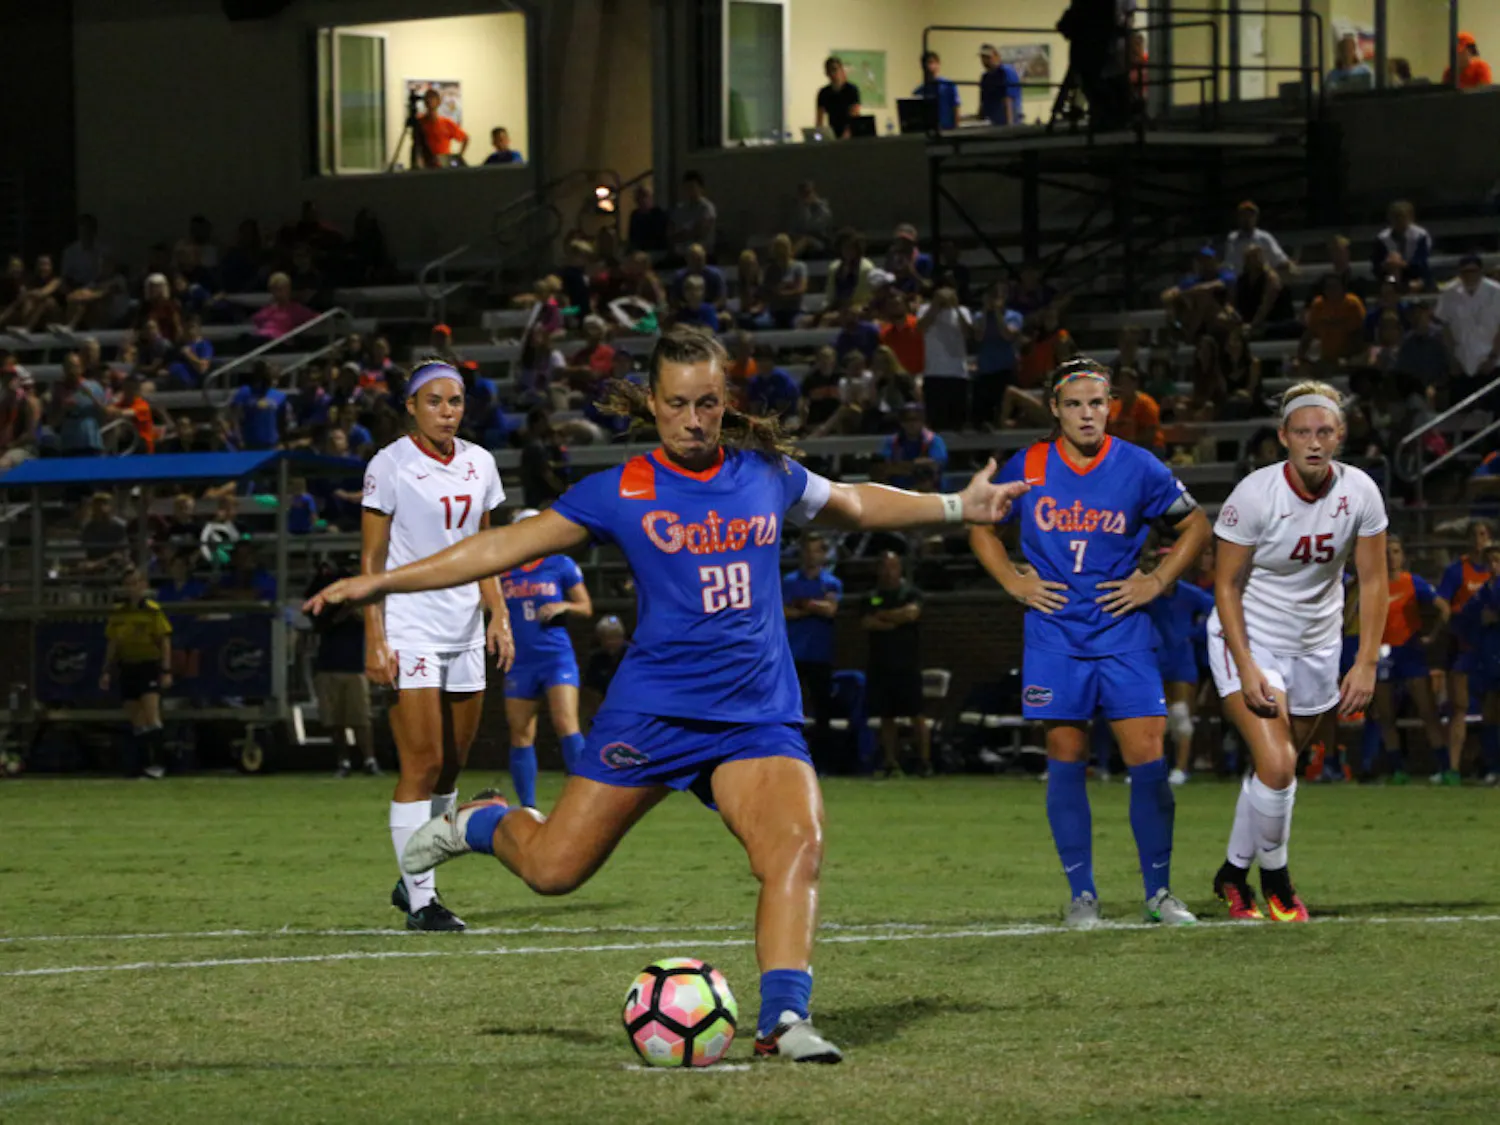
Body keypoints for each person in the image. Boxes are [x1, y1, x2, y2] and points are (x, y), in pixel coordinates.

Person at [304, 325, 1027, 1064]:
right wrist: (382, 581)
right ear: (652, 403)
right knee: (554, 870)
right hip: (652, 714)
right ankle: (487, 820)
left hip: (755, 719)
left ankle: (783, 1021)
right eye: (677, 403)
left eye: (707, 403)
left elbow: (853, 503)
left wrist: (953, 507)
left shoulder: (766, 472)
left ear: (724, 402)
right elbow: (497, 547)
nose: (692, 418)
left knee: (796, 846)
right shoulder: (619, 489)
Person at [970, 358, 1212, 929]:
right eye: (1074, 404)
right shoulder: (1028, 465)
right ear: (1054, 408)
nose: (1087, 414)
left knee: (1148, 759)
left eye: (1097, 403)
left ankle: (1158, 893)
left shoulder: (1141, 467)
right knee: (1066, 759)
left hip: (1124, 634)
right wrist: (1014, 581)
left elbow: (1196, 526)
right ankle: (1082, 895)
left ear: (1111, 408)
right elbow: (982, 524)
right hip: (1055, 634)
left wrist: (1156, 581)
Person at [1207, 381, 1388, 922]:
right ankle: (1278, 880)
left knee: (1275, 770)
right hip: (1249, 636)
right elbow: (1225, 587)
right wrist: (1245, 666)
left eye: (1324, 431)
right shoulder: (1255, 495)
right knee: (1279, 762)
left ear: (1340, 435)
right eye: (1303, 432)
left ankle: (1232, 874)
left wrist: (1366, 660)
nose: (1314, 442)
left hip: (1317, 645)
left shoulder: (1361, 492)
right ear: (1283, 436)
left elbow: (1374, 580)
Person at [360, 358, 513, 931]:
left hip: (464, 626)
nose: (447, 412)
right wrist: (375, 635)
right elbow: (372, 561)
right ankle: (423, 901)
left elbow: (487, 550)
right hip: (410, 622)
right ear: (410, 405)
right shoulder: (390, 465)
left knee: (451, 768)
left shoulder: (480, 463)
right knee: (420, 763)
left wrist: (499, 615)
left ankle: (412, 875)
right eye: (434, 401)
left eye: (455, 402)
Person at [500, 508, 592, 808]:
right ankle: (528, 807)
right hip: (520, 660)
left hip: (556, 656)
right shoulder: (503, 568)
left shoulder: (559, 564)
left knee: (567, 723)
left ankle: (583, 801)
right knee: (521, 732)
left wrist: (563, 606)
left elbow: (585, 607)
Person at [1358, 535, 1449, 782]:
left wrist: (1431, 636)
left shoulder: (1413, 583)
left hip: (1410, 651)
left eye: (1396, 551)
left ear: (1403, 556)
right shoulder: (1373, 584)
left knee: (1427, 710)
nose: (1391, 556)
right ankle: (1398, 769)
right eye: (1387, 552)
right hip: (1383, 652)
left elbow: (1444, 607)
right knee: (1385, 714)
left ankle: (1445, 768)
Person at [1143, 551, 1215, 786]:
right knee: (1156, 719)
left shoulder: (1189, 594)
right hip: (1154, 661)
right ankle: (1157, 767)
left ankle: (1180, 769)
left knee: (1182, 716)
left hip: (1183, 661)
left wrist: (1195, 634)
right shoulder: (1148, 593)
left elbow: (1217, 610)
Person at [305, 559, 380, 779]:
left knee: (361, 719)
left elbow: (366, 619)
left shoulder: (363, 604)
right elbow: (322, 622)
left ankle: (369, 760)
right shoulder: (326, 603)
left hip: (354, 667)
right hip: (328, 665)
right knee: (334, 720)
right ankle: (343, 761)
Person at [99, 568, 173, 779]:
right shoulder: (119, 612)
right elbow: (113, 643)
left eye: (136, 583)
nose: (132, 588)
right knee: (136, 719)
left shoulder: (152, 610)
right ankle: (141, 765)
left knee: (152, 715)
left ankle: (158, 765)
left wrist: (166, 670)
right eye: (128, 584)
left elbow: (164, 641)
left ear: (144, 585)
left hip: (147, 665)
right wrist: (107, 669)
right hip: (127, 666)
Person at [862, 551, 928, 778]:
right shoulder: (872, 595)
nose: (889, 572)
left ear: (900, 568)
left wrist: (885, 617)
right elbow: (868, 622)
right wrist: (893, 619)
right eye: (885, 567)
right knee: (886, 716)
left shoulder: (912, 593)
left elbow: (911, 615)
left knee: (916, 713)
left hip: (907, 664)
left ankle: (924, 762)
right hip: (880, 664)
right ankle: (890, 762)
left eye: (893, 566)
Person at [1436, 521, 1493, 782]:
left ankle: (1489, 764)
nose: (1479, 540)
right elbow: (1444, 603)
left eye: (1483, 535)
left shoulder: (1495, 573)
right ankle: (1454, 768)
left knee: (1492, 709)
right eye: (1474, 535)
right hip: (1466, 647)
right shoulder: (1457, 570)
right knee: (1459, 707)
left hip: (1492, 649)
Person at [783, 534, 842, 774]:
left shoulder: (831, 583)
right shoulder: (789, 581)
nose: (811, 555)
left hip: (820, 655)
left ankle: (822, 762)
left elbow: (830, 610)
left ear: (823, 555)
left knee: (822, 710)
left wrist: (804, 605)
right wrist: (814, 606)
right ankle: (788, 759)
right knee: (790, 710)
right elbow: (785, 612)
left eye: (816, 551)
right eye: (807, 550)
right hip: (793, 655)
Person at [1372, 201, 1434, 293]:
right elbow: (1376, 264)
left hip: (1416, 274)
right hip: (1392, 275)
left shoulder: (1420, 235)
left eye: (1402, 217)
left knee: (1418, 283)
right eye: (1395, 218)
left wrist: (1403, 264)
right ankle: (1396, 288)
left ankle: (1407, 290)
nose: (1399, 222)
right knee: (1390, 277)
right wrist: (1388, 264)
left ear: (1410, 218)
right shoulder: (1382, 238)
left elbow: (1421, 260)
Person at [1223, 200, 1291, 274]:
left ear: (1256, 218)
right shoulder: (1232, 238)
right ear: (1238, 218)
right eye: (1244, 215)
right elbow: (1228, 263)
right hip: (1236, 282)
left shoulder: (1264, 237)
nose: (1247, 219)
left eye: (1250, 215)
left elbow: (1280, 261)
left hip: (1257, 281)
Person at [582, 614, 628, 709]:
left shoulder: (633, 656)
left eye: (615, 637)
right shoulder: (597, 659)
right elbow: (590, 687)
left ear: (622, 637)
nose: (610, 642)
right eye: (606, 638)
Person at [418, 88, 469, 167]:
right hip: (426, 164)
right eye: (427, 98)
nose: (429, 101)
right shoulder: (420, 122)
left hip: (444, 164)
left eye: (432, 98)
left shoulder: (446, 123)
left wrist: (458, 157)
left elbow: (465, 138)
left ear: (438, 102)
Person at [815, 57, 862, 139]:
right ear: (826, 73)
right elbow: (819, 121)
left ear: (841, 70)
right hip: (832, 134)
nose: (832, 74)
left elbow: (854, 117)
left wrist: (845, 136)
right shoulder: (823, 93)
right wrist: (819, 136)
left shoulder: (851, 90)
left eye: (835, 69)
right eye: (829, 71)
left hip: (851, 136)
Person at [976, 43, 1022, 126]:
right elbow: (983, 101)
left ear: (997, 56)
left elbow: (1008, 99)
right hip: (991, 123)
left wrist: (1009, 126)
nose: (985, 61)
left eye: (987, 57)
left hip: (1007, 123)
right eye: (983, 58)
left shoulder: (1006, 72)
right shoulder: (985, 77)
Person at [913, 51, 961, 131]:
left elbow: (956, 109)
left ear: (938, 64)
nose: (929, 66)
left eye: (931, 62)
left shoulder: (948, 86)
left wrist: (957, 131)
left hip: (947, 130)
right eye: (926, 63)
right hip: (928, 132)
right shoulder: (919, 91)